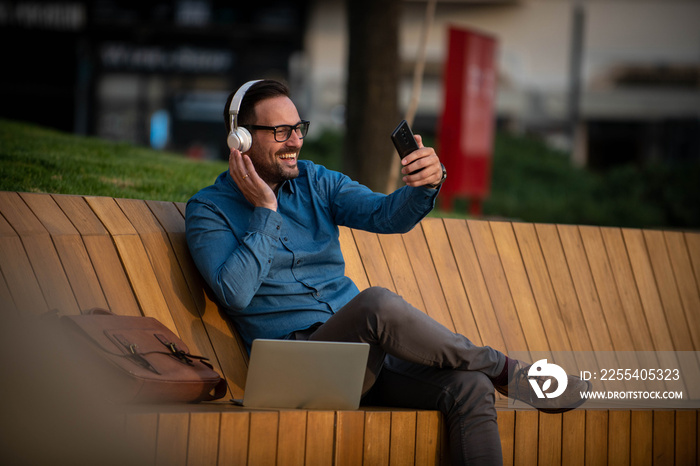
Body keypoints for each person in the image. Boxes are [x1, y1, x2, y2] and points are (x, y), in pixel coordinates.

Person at [185, 79, 590, 465]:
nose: (295, 141)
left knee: (470, 387)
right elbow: (234, 292)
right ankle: (506, 370)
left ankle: (491, 373)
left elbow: (385, 215)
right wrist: (265, 210)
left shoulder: (317, 181)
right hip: (294, 373)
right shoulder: (209, 211)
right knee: (375, 303)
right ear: (240, 137)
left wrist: (426, 185)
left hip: (360, 361)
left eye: (298, 128)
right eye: (280, 131)